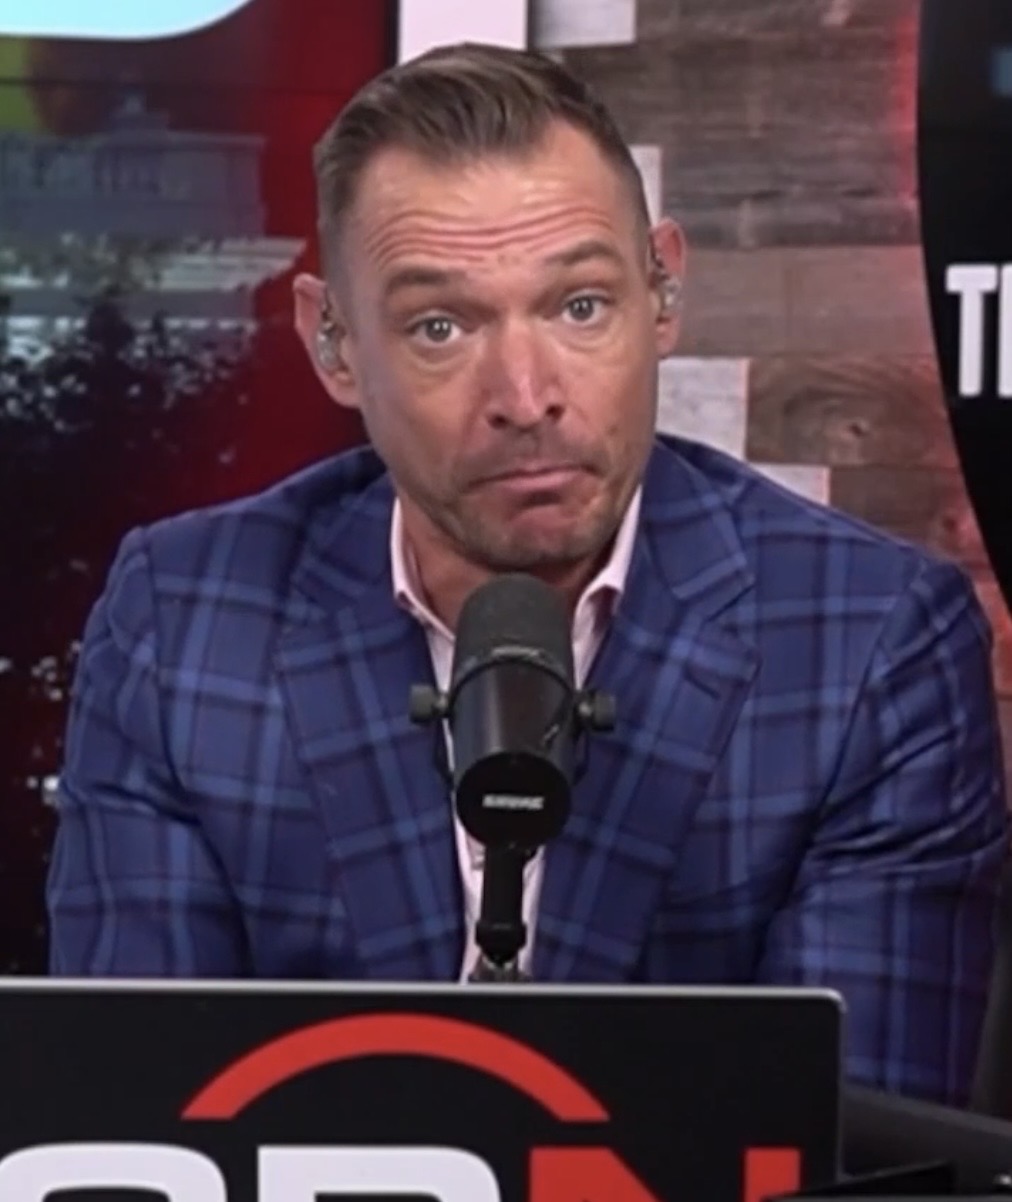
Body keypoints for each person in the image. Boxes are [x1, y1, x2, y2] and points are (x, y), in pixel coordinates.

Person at [47, 42, 1008, 1107]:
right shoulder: (182, 623)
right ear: (333, 343)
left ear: (663, 290)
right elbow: (130, 1114)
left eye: (580, 306)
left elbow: (850, 1144)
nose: (525, 395)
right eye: (440, 326)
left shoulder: (867, 643)